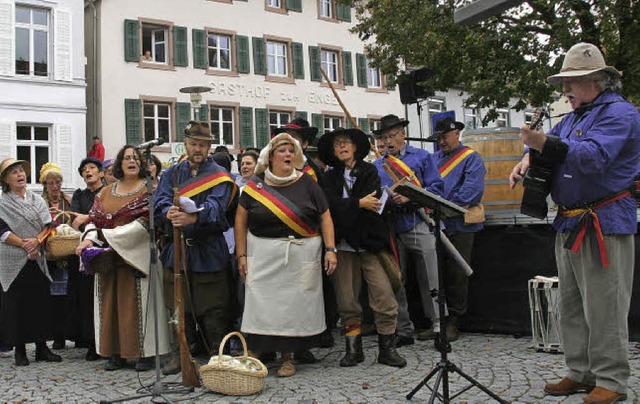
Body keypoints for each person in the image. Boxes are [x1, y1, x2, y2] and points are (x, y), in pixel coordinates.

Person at [509, 42, 640, 403]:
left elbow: (593, 157)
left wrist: (542, 143)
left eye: (572, 81)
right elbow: (550, 145)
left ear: (595, 81)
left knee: (605, 306)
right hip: (569, 223)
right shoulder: (572, 117)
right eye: (564, 81)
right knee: (570, 305)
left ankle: (611, 381)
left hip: (604, 222)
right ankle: (580, 372)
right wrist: (526, 158)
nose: (565, 89)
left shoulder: (621, 114)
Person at [235, 133, 337, 377]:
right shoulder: (256, 185)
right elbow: (240, 220)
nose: (288, 154)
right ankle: (257, 351)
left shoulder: (308, 183)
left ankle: (288, 357)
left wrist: (331, 250)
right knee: (261, 304)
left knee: (293, 307)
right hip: (263, 253)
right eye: (282, 150)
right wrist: (241, 255)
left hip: (300, 255)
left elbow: (325, 216)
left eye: (291, 150)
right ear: (270, 157)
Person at [75, 145, 170, 372]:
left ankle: (144, 353)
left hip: (137, 257)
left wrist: (107, 237)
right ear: (119, 162)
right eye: (127, 157)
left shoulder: (151, 189)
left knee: (136, 306)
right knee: (110, 305)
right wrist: (89, 239)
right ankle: (114, 352)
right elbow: (93, 220)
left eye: (136, 158)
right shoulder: (106, 192)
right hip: (107, 259)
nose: (132, 161)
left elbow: (147, 223)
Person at [318, 128, 406, 368]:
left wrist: (347, 208)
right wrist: (357, 204)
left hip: (369, 243)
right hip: (344, 246)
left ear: (355, 146)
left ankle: (387, 350)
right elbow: (329, 208)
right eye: (337, 144)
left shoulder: (369, 171)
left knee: (383, 295)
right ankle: (353, 351)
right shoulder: (328, 179)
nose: (342, 147)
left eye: (346, 142)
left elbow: (373, 202)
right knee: (346, 300)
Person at [154, 121, 237, 375]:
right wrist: (169, 213)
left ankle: (217, 356)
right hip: (177, 250)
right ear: (185, 144)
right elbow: (160, 200)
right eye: (193, 144)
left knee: (213, 307)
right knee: (179, 305)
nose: (197, 149)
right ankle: (183, 354)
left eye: (202, 144)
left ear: (209, 146)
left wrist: (193, 218)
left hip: (208, 249)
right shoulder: (172, 173)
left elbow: (216, 206)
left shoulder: (219, 175)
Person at [373, 114, 445, 346]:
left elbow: (437, 188)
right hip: (392, 226)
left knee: (431, 276)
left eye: (393, 135)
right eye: (385, 137)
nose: (389, 141)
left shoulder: (422, 157)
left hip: (419, 220)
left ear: (403, 134)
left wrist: (411, 195)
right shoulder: (377, 166)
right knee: (397, 280)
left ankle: (438, 326)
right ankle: (403, 329)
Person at [272, 117, 337, 352]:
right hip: (282, 240)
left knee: (314, 287)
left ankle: (321, 331)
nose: (290, 144)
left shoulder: (313, 171)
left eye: (295, 139)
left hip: (309, 237)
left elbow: (324, 210)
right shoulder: (274, 169)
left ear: (305, 142)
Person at [425, 117, 486, 342]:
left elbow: (472, 191)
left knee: (457, 275)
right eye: (439, 137)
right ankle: (438, 319)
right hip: (435, 223)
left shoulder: (471, 159)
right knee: (436, 274)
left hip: (459, 224)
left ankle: (455, 321)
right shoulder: (433, 159)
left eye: (445, 136)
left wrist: (441, 206)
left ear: (457, 134)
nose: (442, 141)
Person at [0, 158, 62, 366]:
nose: (19, 175)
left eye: (21, 171)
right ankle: (20, 351)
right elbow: (2, 231)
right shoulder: (2, 203)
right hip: (13, 260)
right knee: (18, 306)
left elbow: (49, 226)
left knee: (40, 303)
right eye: (13, 172)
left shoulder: (37, 200)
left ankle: (42, 348)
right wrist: (24, 245)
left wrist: (36, 242)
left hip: (37, 258)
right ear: (6, 179)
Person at [69, 157, 104, 361]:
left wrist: (89, 218)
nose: (88, 171)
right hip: (85, 250)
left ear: (100, 172)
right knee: (87, 297)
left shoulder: (108, 192)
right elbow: (75, 220)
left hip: (106, 246)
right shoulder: (79, 195)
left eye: (92, 168)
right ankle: (91, 342)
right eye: (84, 170)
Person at [39, 162, 74, 351]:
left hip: (66, 252)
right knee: (50, 298)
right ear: (45, 184)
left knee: (65, 297)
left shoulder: (68, 201)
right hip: (48, 255)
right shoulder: (40, 203)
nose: (55, 186)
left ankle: (64, 334)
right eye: (51, 183)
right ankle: (53, 334)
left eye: (58, 182)